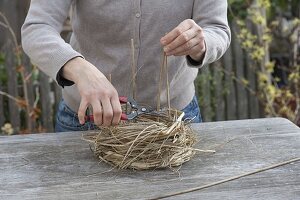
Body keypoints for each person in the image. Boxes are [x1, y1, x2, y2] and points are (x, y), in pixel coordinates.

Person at [21, 0, 231, 132]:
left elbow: (217, 29)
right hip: (86, 122)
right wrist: (78, 68)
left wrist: (202, 42)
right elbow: (37, 28)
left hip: (174, 121)